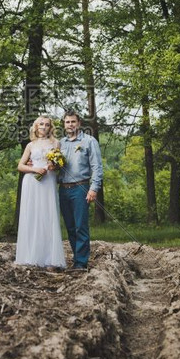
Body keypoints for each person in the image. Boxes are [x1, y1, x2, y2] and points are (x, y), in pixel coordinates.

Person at [14, 116, 67, 268]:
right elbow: (20, 166)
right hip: (32, 182)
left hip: (48, 181)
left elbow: (59, 164)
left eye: (47, 125)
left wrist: (54, 166)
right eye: (41, 124)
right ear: (36, 127)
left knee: (48, 215)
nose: (44, 127)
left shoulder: (56, 143)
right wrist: (34, 169)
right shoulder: (30, 145)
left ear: (51, 128)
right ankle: (30, 256)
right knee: (32, 216)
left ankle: (50, 258)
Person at [58, 111, 103, 271]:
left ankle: (81, 263)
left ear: (79, 123)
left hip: (81, 188)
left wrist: (93, 189)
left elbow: (97, 167)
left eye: (73, 122)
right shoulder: (60, 143)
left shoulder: (89, 141)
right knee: (70, 226)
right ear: (64, 124)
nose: (70, 125)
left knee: (80, 226)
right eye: (67, 122)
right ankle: (77, 257)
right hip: (63, 189)